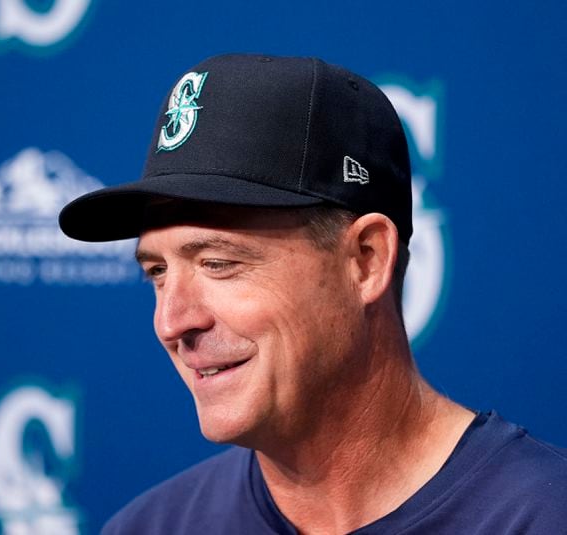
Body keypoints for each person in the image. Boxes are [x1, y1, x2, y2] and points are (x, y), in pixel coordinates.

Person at [59, 54, 567, 534]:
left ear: (366, 260)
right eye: (158, 273)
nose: (173, 323)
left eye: (218, 263)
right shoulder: (152, 527)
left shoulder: (540, 516)